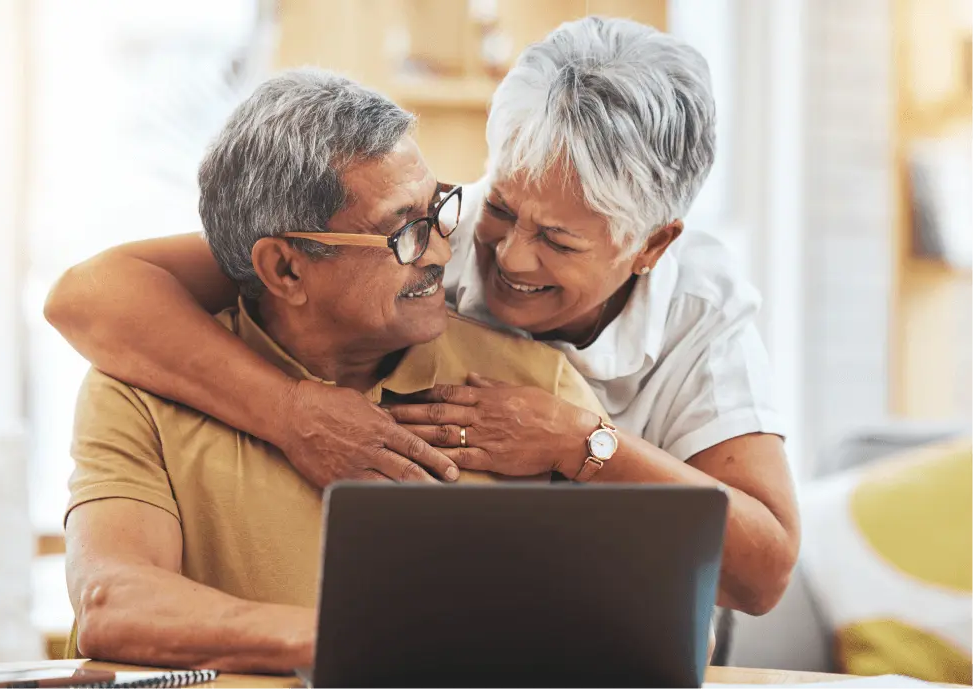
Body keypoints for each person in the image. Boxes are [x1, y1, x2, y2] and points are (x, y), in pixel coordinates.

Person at [48, 17, 799, 617]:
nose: (508, 256)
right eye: (500, 208)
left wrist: (583, 443)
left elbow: (761, 572)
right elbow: (96, 294)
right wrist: (293, 412)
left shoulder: (697, 313)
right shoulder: (429, 222)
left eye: (560, 240)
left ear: (651, 246)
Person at [63, 68, 611, 672]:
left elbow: (645, 621)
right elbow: (114, 604)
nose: (439, 252)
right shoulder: (139, 390)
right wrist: (362, 639)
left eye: (438, 211)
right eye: (403, 230)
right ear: (286, 271)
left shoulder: (538, 389)